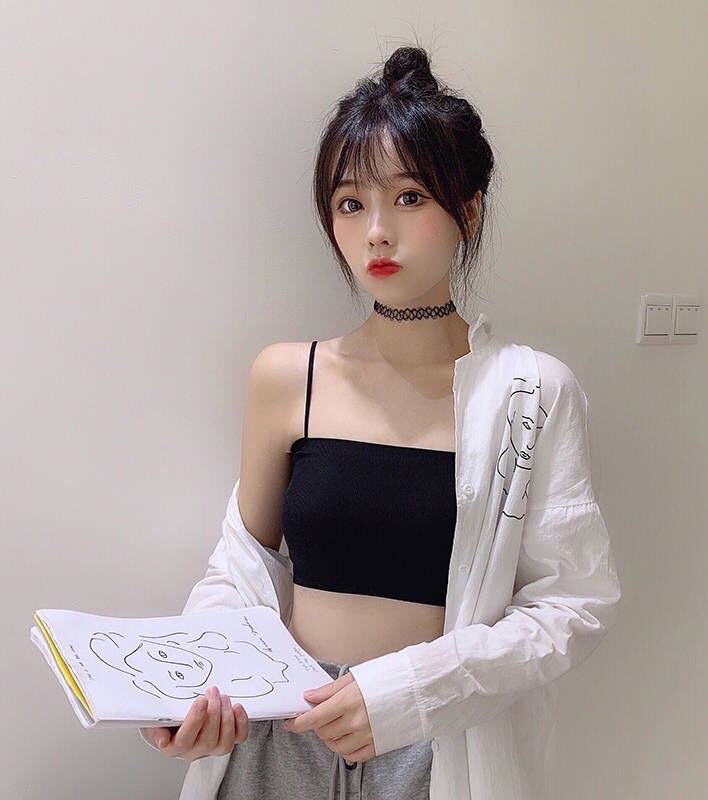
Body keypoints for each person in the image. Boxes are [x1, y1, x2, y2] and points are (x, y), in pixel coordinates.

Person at [140, 43, 621, 800]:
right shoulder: (288, 377)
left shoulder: (531, 394)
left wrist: (409, 692)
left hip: (435, 745)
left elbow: (572, 604)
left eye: (409, 198)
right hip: (280, 736)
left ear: (468, 210)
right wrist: (198, 687)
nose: (376, 232)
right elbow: (241, 569)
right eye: (350, 203)